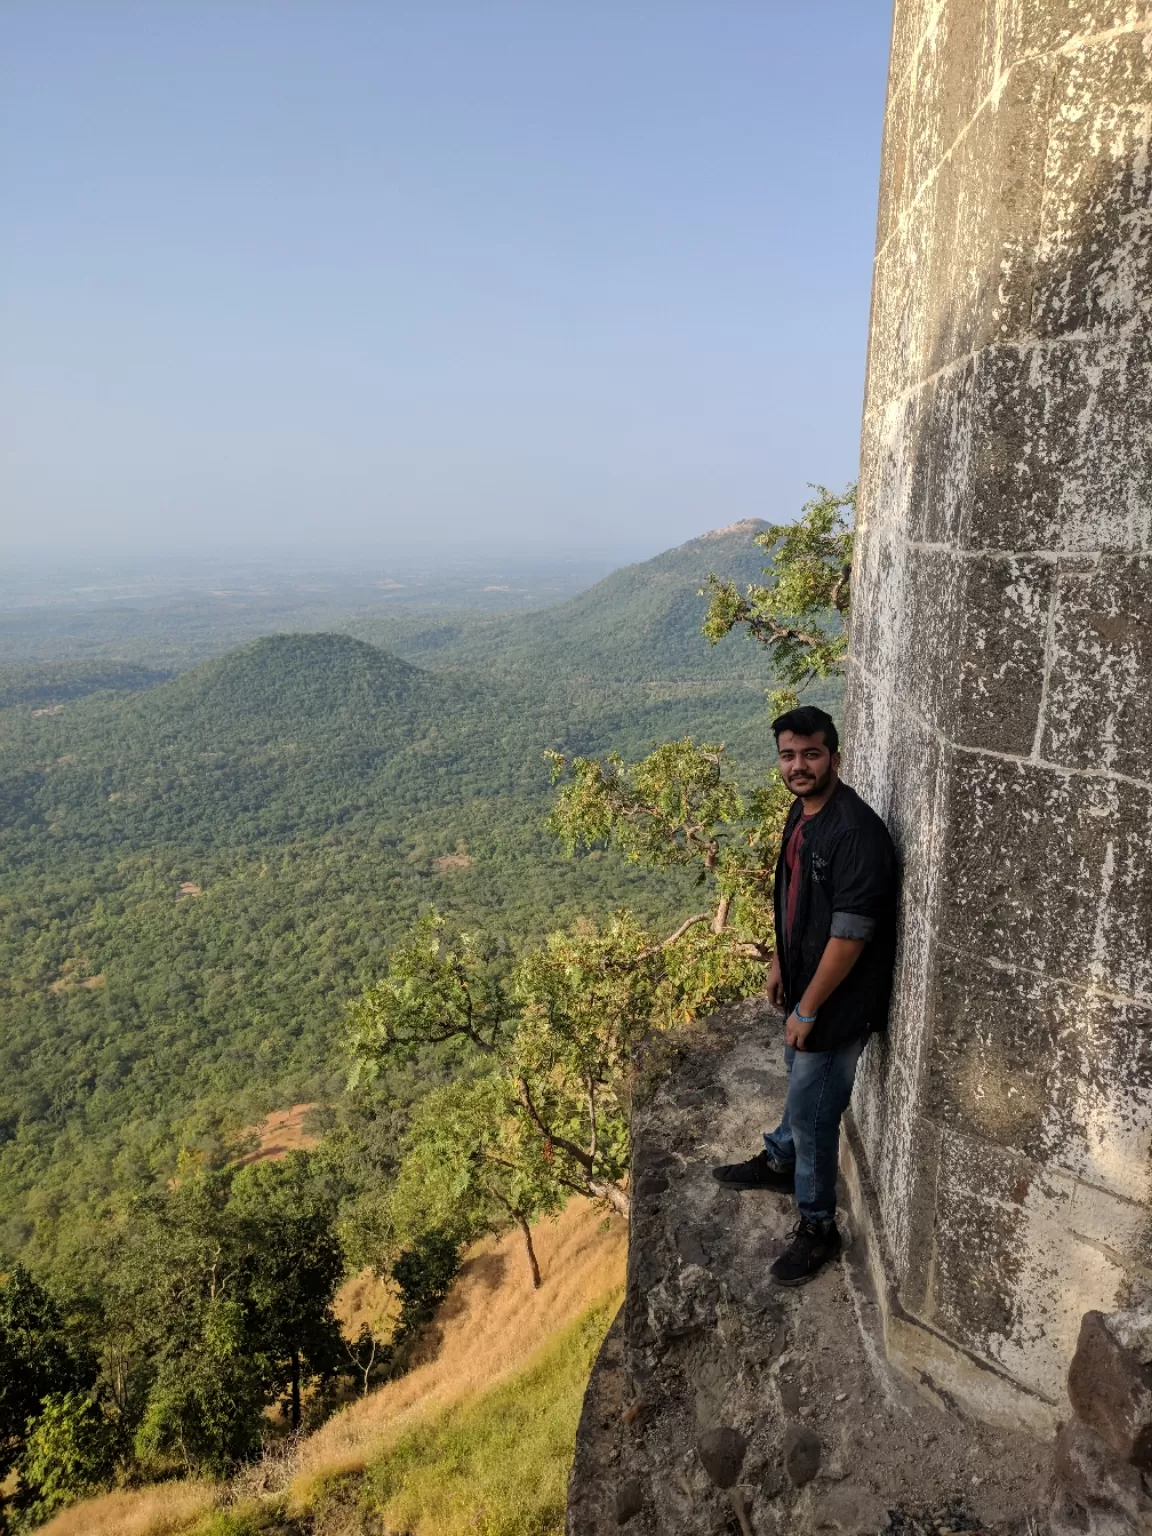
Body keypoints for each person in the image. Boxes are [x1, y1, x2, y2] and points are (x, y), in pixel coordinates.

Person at [712, 704, 897, 1287]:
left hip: (837, 1006)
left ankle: (818, 1226)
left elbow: (848, 938)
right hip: (805, 990)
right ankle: (780, 1159)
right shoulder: (804, 811)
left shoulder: (855, 833)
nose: (799, 766)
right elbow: (797, 902)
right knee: (799, 1087)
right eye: (788, 756)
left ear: (834, 756)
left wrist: (809, 1006)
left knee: (815, 1114)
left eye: (811, 754)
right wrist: (779, 963)